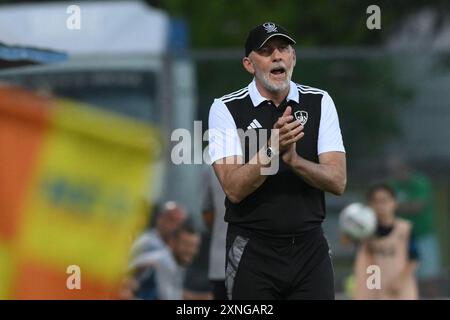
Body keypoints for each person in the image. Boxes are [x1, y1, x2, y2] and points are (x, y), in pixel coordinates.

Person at [207, 22, 346, 299]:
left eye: (283, 48)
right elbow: (233, 188)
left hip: (310, 250)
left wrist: (294, 160)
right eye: (266, 51)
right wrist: (272, 147)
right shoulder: (226, 108)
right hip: (253, 250)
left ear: (293, 58)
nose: (277, 56)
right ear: (249, 64)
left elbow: (337, 180)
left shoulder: (319, 101)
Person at [387, 155, 442, 297]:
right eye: (393, 169)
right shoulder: (391, 185)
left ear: (407, 167)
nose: (397, 172)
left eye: (399, 168)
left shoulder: (420, 182)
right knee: (404, 279)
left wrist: (395, 206)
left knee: (429, 278)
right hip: (401, 239)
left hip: (423, 236)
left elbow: (417, 206)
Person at [354, 183, 419, 300]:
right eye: (375, 201)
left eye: (384, 201)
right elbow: (346, 242)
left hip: (399, 290)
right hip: (372, 290)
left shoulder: (405, 229)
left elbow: (414, 258)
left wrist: (400, 280)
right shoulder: (363, 231)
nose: (380, 206)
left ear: (394, 202)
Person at [129, 222, 201, 300]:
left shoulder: (177, 262)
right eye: (186, 244)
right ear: (172, 242)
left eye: (194, 246)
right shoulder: (162, 261)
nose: (190, 250)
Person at [201, 166, 228, 300]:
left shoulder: (213, 166)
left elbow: (207, 213)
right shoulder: (270, 159)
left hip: (220, 263)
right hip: (262, 266)